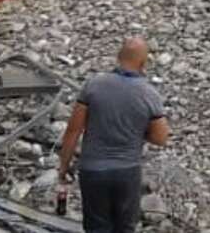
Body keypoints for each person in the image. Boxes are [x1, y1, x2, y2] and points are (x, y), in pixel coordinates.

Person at [57, 37, 169, 233]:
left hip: (93, 171)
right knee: (125, 227)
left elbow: (73, 131)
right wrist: (137, 132)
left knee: (96, 227)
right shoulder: (149, 94)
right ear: (144, 63)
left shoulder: (93, 85)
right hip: (127, 172)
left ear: (118, 57)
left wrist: (63, 167)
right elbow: (161, 138)